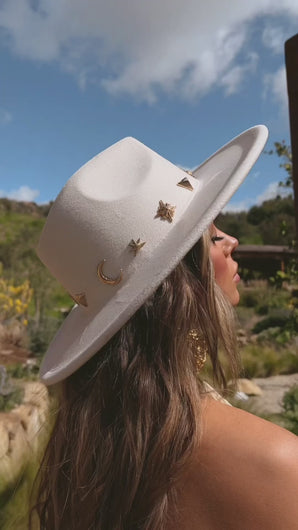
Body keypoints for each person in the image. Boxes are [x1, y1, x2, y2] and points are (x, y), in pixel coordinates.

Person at [32, 126, 298, 530]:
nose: (233, 240)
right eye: (210, 234)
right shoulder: (276, 463)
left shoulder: (91, 450)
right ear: (181, 284)